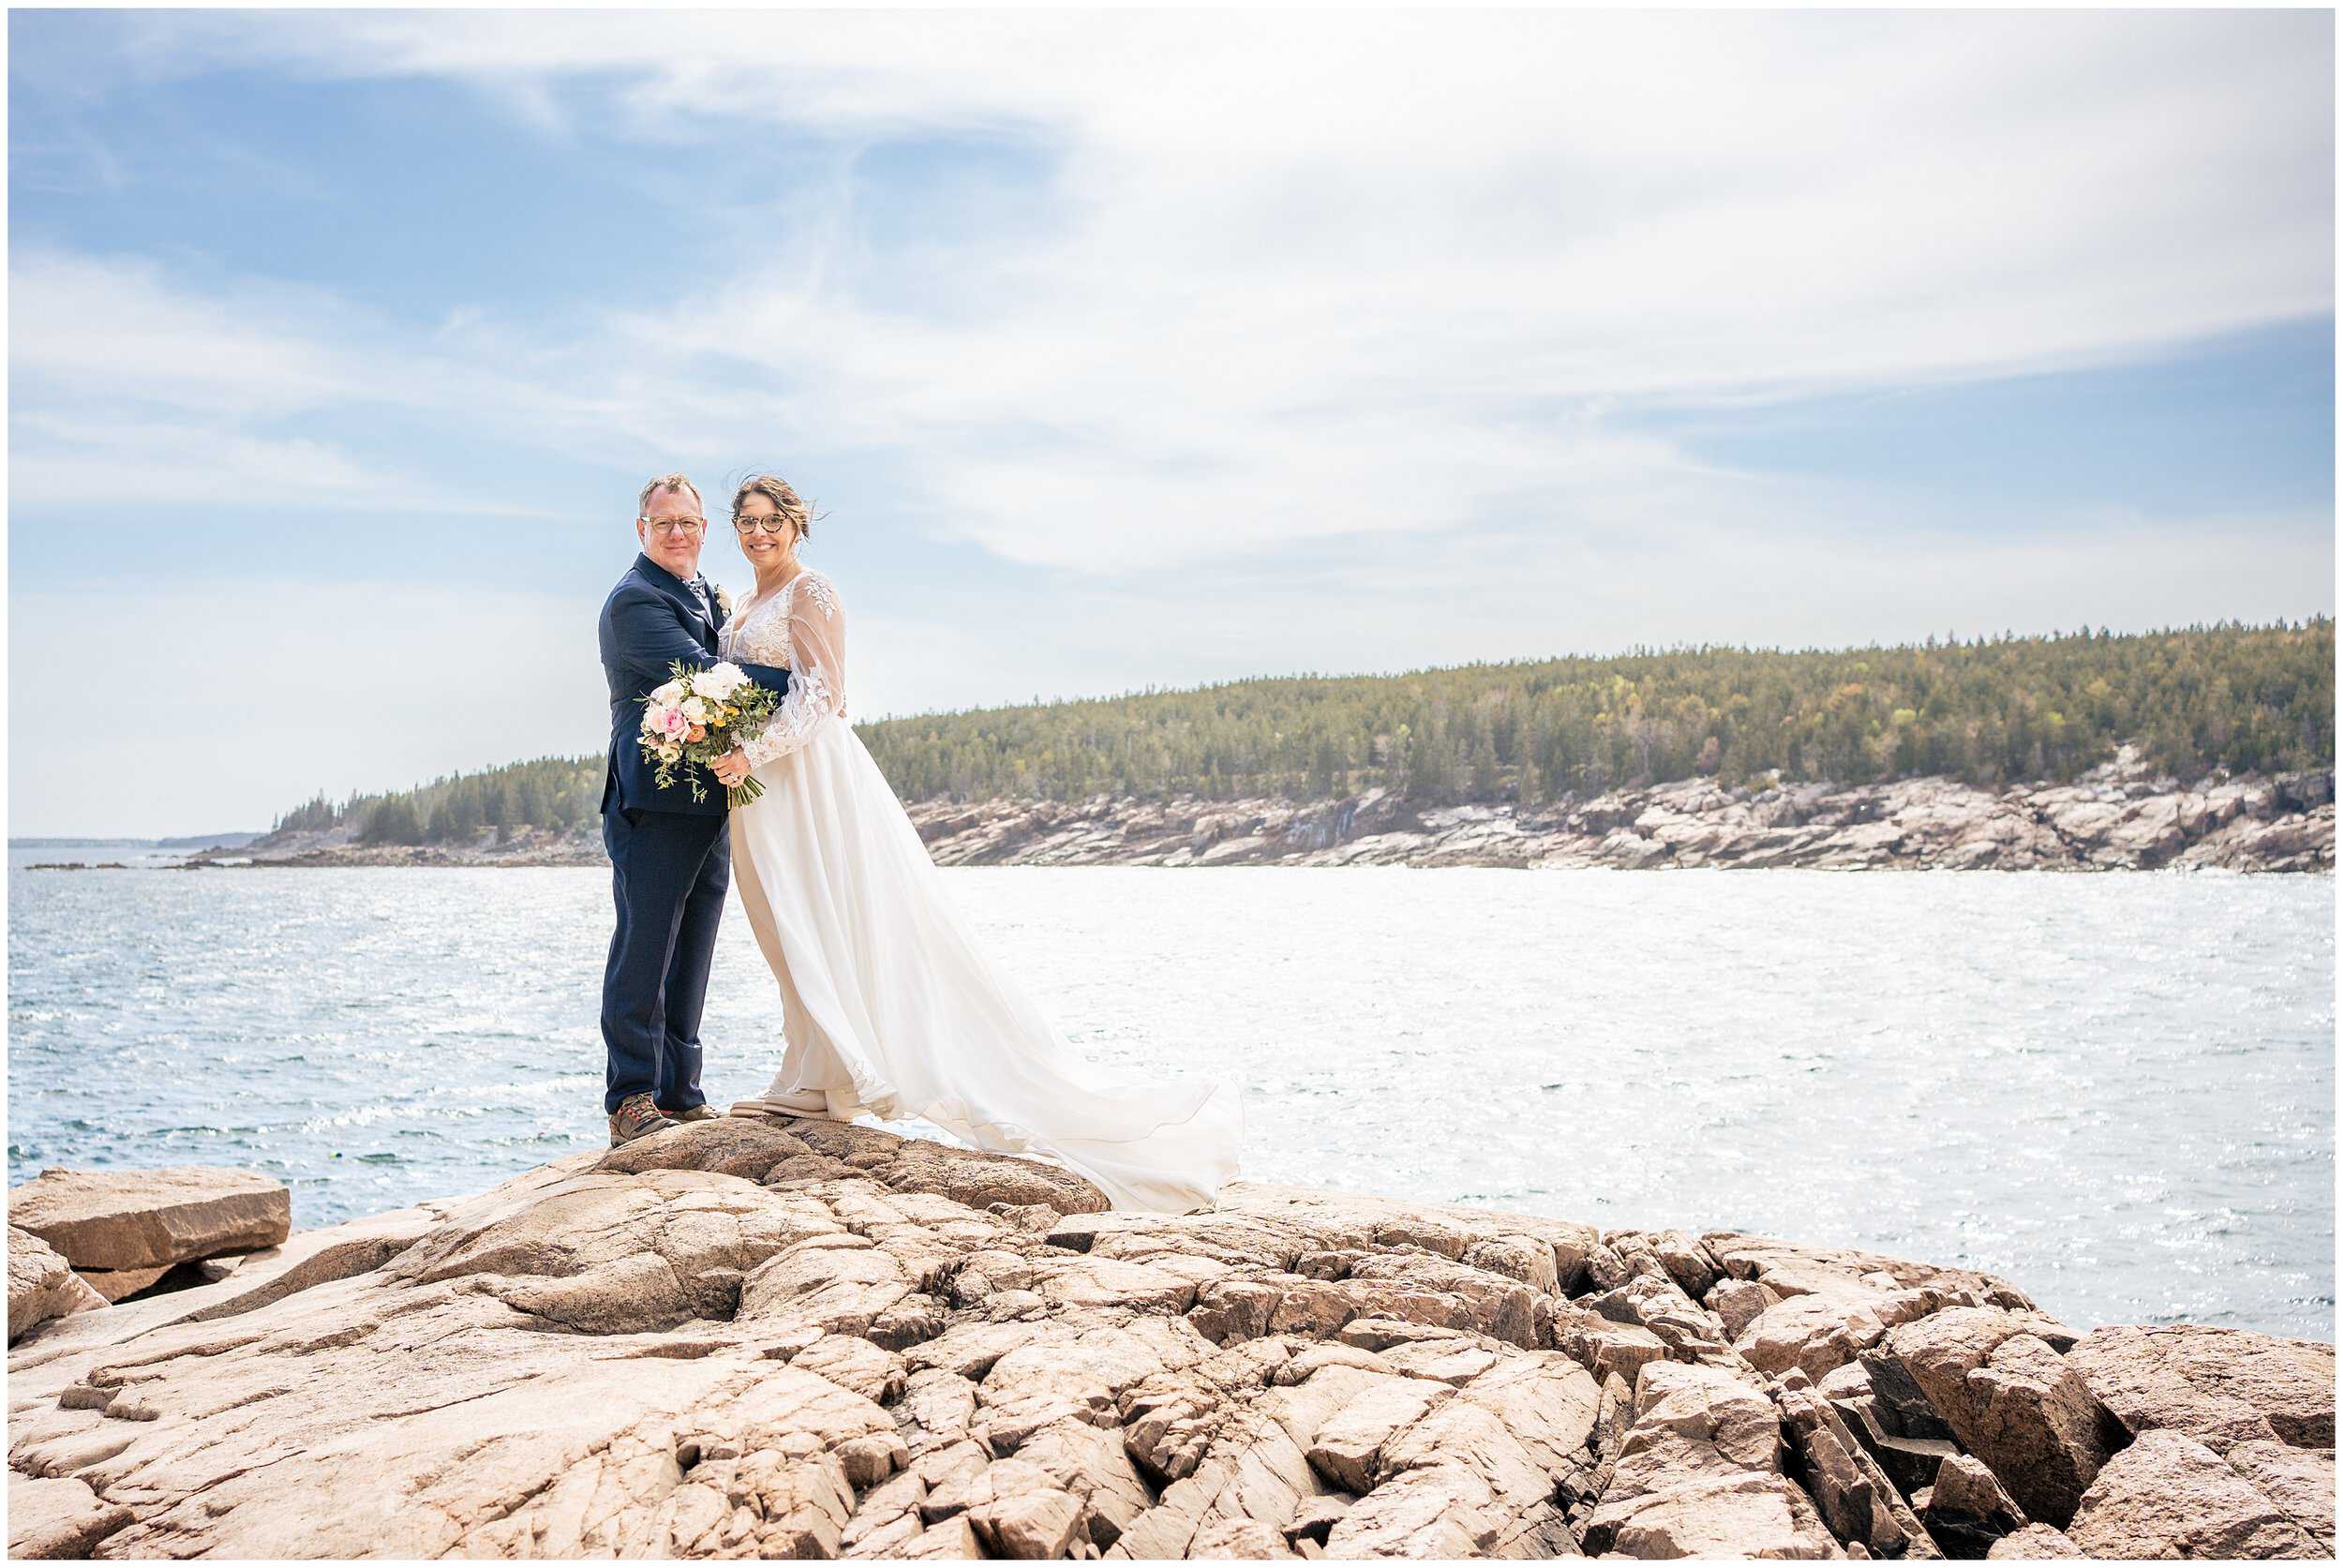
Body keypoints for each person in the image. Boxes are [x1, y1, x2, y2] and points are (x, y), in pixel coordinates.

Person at [709, 474, 1241, 1211]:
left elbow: (824, 694)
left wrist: (753, 752)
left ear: (796, 526)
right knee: (778, 915)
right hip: (761, 785)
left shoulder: (813, 591)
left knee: (819, 910)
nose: (758, 534)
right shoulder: (740, 605)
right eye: (747, 522)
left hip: (805, 776)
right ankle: (812, 1065)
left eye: (772, 522)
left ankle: (826, 1073)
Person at [595, 473, 796, 1147]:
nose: (677, 533)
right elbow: (709, 676)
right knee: (644, 948)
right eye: (663, 524)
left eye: (688, 522)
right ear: (641, 531)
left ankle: (681, 1090)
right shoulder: (633, 602)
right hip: (650, 802)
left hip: (711, 798)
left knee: (694, 950)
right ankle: (630, 1097)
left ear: (704, 529)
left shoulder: (710, 594)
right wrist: (806, 680)